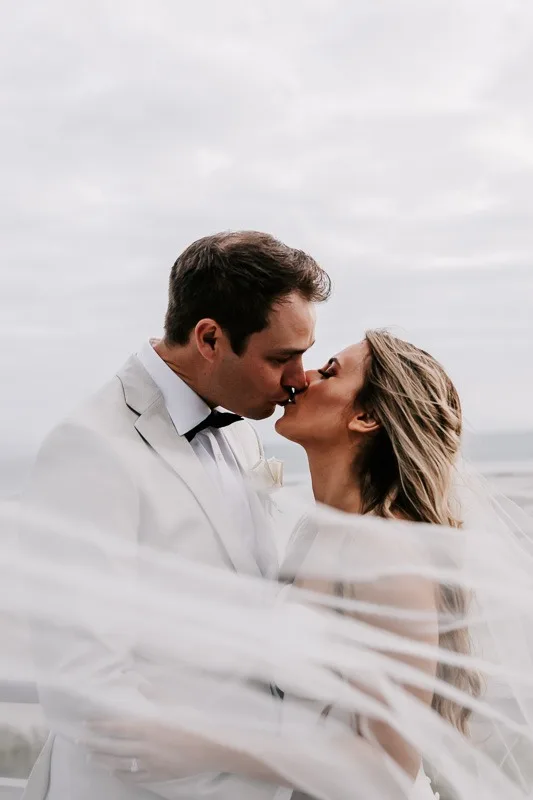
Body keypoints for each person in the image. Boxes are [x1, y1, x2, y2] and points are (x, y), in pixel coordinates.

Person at [20, 230, 331, 800]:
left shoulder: (239, 436)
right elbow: (86, 691)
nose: (299, 379)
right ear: (209, 337)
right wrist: (251, 774)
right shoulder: (91, 446)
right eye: (282, 358)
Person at [275, 330, 483, 798]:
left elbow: (387, 769)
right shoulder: (316, 530)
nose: (303, 377)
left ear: (366, 417)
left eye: (329, 371)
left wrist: (207, 747)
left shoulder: (385, 552)